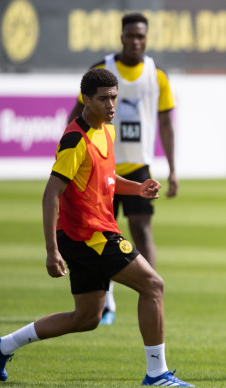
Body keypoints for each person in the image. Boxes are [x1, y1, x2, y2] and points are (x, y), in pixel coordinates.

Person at [0, 68, 192, 387]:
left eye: (115, 98)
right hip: (89, 236)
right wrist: (51, 251)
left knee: (87, 318)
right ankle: (157, 373)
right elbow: (50, 195)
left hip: (88, 234)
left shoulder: (104, 131)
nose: (111, 105)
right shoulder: (74, 139)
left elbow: (105, 180)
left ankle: (1, 346)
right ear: (86, 100)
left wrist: (137, 189)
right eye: (104, 99)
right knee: (154, 286)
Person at [67, 12, 178, 325]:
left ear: (146, 37)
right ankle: (108, 299)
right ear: (121, 36)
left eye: (141, 36)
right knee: (102, 234)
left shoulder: (157, 75)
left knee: (142, 229)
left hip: (139, 167)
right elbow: (78, 112)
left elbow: (166, 122)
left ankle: (152, 292)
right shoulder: (102, 69)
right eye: (130, 36)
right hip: (102, 167)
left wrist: (172, 168)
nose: (135, 41)